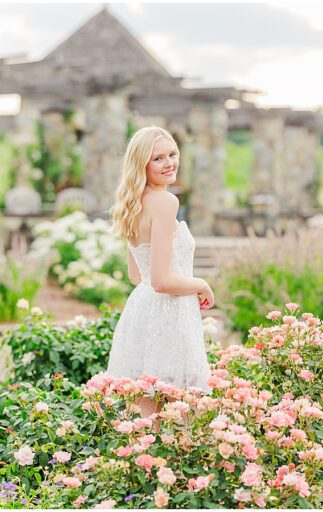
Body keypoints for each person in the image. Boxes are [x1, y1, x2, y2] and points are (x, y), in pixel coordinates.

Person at [106, 126, 214, 417]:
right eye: (158, 158)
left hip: (142, 311)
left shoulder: (132, 204)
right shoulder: (165, 202)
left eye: (172, 154)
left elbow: (137, 276)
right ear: (142, 164)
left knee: (145, 417)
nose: (169, 163)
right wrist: (200, 283)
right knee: (176, 416)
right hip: (168, 313)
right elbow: (162, 281)